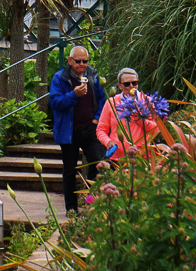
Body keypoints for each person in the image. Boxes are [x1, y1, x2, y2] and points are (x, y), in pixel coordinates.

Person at [49, 46, 107, 213]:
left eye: (85, 61)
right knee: (69, 169)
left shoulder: (92, 76)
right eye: (78, 61)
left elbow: (102, 100)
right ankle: (71, 208)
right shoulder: (60, 78)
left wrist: (97, 118)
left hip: (89, 127)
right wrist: (73, 95)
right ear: (70, 61)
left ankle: (91, 203)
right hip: (69, 131)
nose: (82, 65)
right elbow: (55, 102)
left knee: (97, 163)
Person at [96, 67, 161, 161]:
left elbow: (156, 129)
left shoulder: (147, 101)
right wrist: (108, 142)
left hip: (141, 156)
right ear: (120, 86)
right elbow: (101, 129)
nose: (131, 86)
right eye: (127, 84)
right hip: (118, 158)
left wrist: (138, 117)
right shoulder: (111, 102)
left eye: (134, 83)